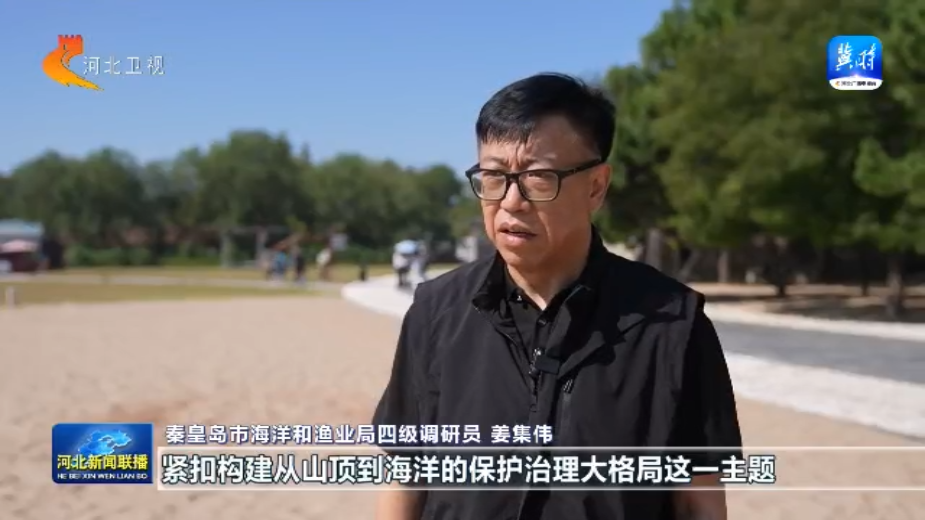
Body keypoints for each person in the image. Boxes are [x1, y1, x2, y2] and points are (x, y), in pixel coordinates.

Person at [373, 73, 742, 520]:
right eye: (494, 176)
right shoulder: (435, 311)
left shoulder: (673, 325)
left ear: (596, 187)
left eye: (537, 177)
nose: (511, 201)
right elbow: (406, 474)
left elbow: (699, 499)